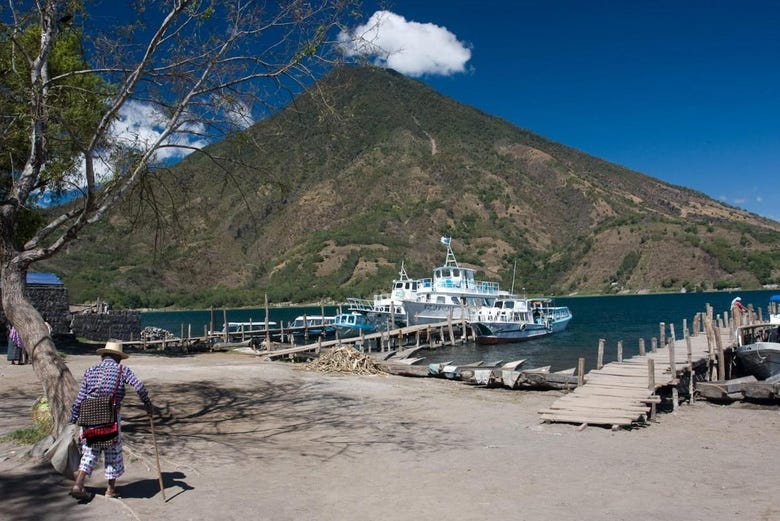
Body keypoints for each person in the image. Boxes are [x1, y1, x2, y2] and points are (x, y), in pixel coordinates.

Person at [69, 340, 153, 500]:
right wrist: (148, 405)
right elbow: (140, 387)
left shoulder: (90, 370)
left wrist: (73, 418)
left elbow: (80, 398)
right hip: (111, 418)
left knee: (90, 450)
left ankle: (78, 484)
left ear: (103, 356)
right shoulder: (123, 370)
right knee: (112, 452)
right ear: (119, 358)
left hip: (89, 418)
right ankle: (110, 489)